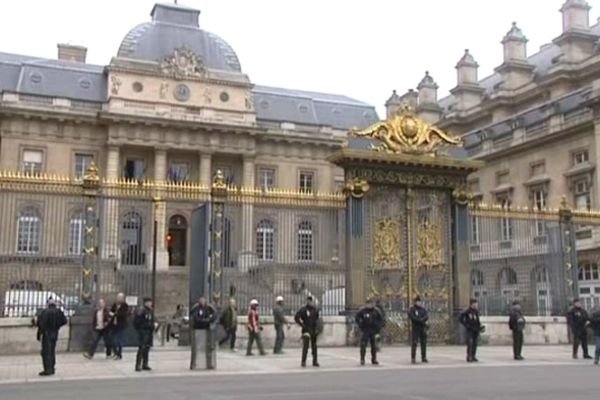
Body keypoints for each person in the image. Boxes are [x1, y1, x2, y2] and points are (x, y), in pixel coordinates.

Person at [36, 298, 67, 376]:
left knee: (46, 352)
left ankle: (47, 369)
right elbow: (64, 321)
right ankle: (52, 368)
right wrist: (57, 326)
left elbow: (41, 324)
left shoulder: (45, 312)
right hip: (55, 333)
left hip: (46, 334)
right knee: (52, 351)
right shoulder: (59, 312)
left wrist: (39, 334)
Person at [355, 298, 383, 366]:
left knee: (373, 345)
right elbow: (357, 318)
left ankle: (374, 359)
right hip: (366, 330)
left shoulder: (376, 311)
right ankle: (362, 359)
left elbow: (381, 319)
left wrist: (378, 327)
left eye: (371, 303)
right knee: (363, 345)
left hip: (373, 330)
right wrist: (361, 325)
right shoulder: (362, 311)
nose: (370, 305)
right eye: (369, 303)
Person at [295, 296, 321, 367]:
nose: (309, 302)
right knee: (305, 347)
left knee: (314, 347)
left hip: (313, 330)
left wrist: (317, 329)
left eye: (310, 301)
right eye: (308, 301)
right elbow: (296, 317)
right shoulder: (303, 310)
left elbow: (317, 319)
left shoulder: (315, 310)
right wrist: (302, 325)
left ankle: (315, 361)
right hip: (306, 330)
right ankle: (303, 361)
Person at [459, 298, 484, 362]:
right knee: (470, 343)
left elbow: (477, 320)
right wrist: (466, 325)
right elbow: (461, 318)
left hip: (475, 329)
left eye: (476, 303)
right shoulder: (467, 311)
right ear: (472, 304)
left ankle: (473, 356)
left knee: (475, 343)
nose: (476, 305)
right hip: (470, 329)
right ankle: (469, 356)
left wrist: (480, 326)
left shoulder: (476, 311)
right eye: (475, 303)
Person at [133, 297, 154, 372]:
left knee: (147, 348)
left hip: (149, 331)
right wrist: (141, 329)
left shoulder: (150, 311)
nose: (150, 304)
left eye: (150, 302)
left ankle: (145, 364)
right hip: (143, 331)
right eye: (149, 302)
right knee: (142, 348)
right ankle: (138, 364)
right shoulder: (141, 310)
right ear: (145, 303)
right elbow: (137, 322)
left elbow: (150, 320)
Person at [408, 295, 429, 364]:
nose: (419, 303)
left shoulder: (423, 309)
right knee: (414, 343)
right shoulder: (412, 309)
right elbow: (412, 317)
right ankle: (413, 358)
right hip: (416, 328)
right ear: (415, 302)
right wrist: (419, 320)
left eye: (419, 302)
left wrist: (422, 320)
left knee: (423, 343)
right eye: (417, 302)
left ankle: (424, 357)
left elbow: (426, 316)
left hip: (422, 327)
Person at [109, 293, 129, 360]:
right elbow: (111, 312)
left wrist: (115, 314)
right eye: (118, 297)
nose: (118, 299)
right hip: (114, 324)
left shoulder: (125, 305)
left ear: (123, 298)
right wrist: (113, 314)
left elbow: (122, 314)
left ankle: (119, 354)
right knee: (112, 339)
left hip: (121, 325)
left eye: (120, 298)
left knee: (119, 340)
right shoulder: (115, 304)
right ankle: (115, 352)